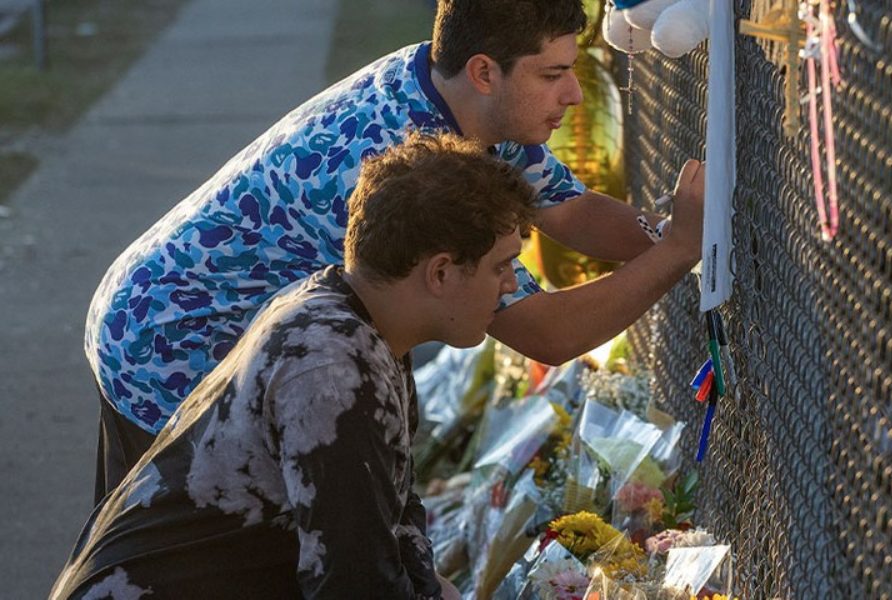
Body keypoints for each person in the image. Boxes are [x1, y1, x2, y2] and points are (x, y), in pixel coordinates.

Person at [85, 0, 705, 501]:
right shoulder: (414, 164)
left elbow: (571, 210)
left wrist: (678, 231)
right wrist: (678, 249)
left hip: (160, 304)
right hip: (170, 344)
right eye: (552, 75)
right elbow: (547, 332)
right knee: (192, 562)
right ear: (485, 72)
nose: (573, 95)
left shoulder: (454, 90)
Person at [52, 133, 535, 599]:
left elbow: (390, 511)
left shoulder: (355, 319)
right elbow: (354, 582)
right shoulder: (331, 369)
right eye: (501, 265)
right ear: (441, 272)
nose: (511, 284)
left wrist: (428, 584)